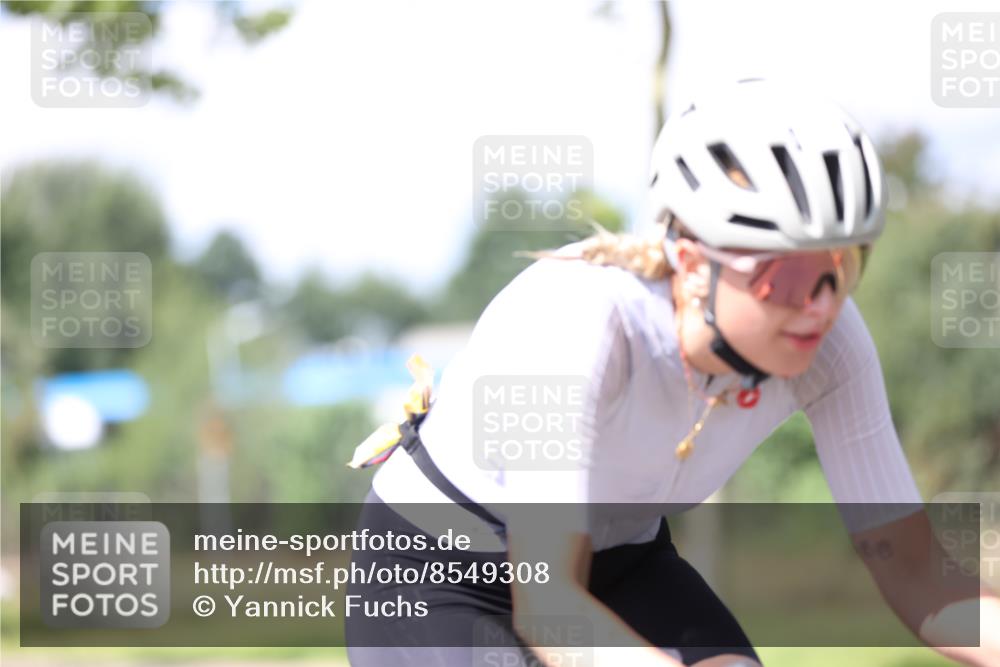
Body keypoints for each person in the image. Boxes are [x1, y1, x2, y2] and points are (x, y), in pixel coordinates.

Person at [343, 79, 1000, 667]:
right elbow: (548, 604)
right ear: (690, 260)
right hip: (434, 570)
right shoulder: (583, 320)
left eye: (844, 266)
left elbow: (917, 571)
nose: (821, 302)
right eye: (788, 273)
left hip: (621, 560)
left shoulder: (833, 342)